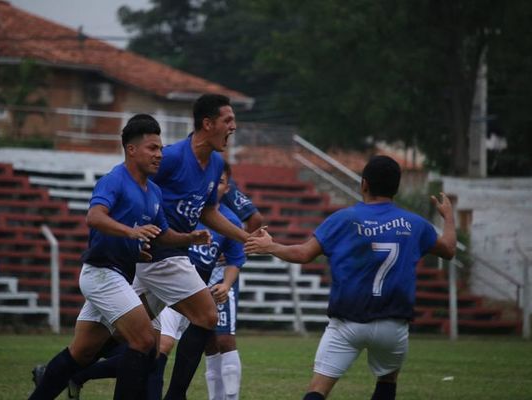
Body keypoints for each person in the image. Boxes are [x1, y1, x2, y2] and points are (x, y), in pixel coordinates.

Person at [28, 114, 210, 400]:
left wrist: (190, 237)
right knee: (145, 341)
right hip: (101, 273)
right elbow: (95, 216)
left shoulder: (154, 191)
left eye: (161, 148)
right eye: (152, 148)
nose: (159, 155)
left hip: (117, 277)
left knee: (82, 353)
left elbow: (162, 234)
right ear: (131, 149)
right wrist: (130, 233)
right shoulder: (114, 180)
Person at [245, 155, 456, 400]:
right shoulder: (415, 224)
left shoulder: (344, 219)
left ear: (364, 184)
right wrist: (448, 217)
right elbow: (449, 250)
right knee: (387, 380)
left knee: (317, 390)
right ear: (396, 188)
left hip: (348, 323)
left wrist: (271, 246)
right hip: (393, 324)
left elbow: (303, 254)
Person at [132, 94, 259, 400]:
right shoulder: (173, 157)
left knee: (121, 336)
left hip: (173, 255)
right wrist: (133, 232)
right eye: (228, 120)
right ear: (208, 124)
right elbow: (137, 185)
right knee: (206, 317)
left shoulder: (215, 163)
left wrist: (246, 238)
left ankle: (68, 372)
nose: (234, 126)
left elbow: (208, 212)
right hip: (156, 254)